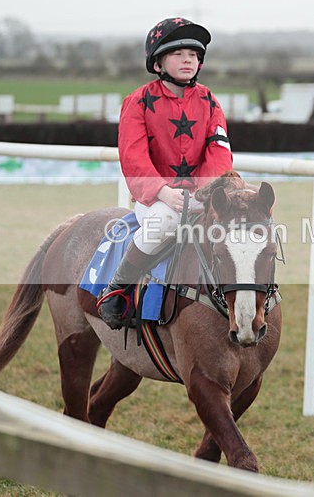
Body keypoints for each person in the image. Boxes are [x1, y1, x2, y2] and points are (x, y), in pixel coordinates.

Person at [97, 17, 233, 329]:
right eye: (178, 54)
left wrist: (204, 192)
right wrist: (163, 192)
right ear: (158, 63)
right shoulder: (138, 101)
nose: (188, 60)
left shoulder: (209, 101)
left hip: (203, 195)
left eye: (193, 55)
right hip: (155, 199)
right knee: (165, 221)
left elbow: (219, 151)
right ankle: (117, 290)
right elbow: (133, 156)